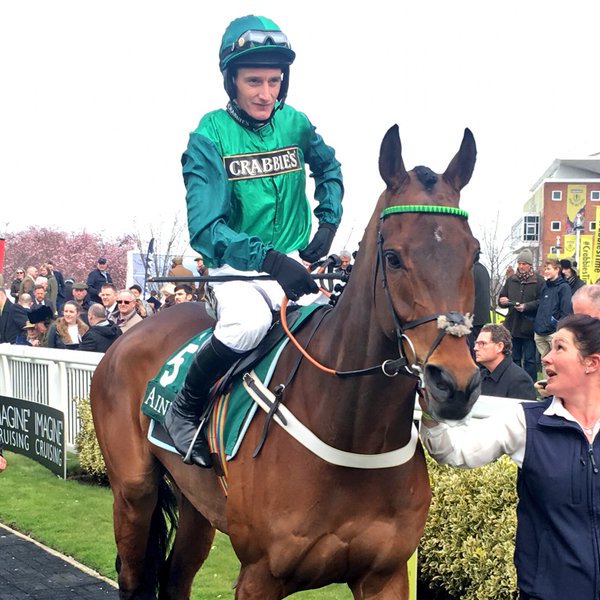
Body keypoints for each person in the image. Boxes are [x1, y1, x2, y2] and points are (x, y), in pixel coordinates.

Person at [164, 14, 344, 468]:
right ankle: (183, 409)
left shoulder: (296, 123)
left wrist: (327, 223)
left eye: (274, 81)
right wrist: (267, 258)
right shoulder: (208, 136)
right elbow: (206, 230)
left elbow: (329, 168)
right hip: (237, 267)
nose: (267, 93)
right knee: (245, 325)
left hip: (295, 264)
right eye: (254, 81)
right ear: (232, 81)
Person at [420, 314, 600, 600]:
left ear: (592, 363)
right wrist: (431, 411)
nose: (545, 358)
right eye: (549, 347)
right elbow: (455, 449)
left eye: (560, 348)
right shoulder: (525, 423)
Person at [498, 248, 545, 382]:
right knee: (513, 358)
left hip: (529, 327)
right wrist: (504, 302)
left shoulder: (539, 281)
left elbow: (542, 301)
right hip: (512, 326)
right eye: (519, 263)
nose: (521, 266)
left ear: (530, 265)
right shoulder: (511, 280)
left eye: (524, 263)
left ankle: (530, 384)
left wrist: (526, 306)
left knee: (530, 360)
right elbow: (501, 299)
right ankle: (515, 384)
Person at [475, 324, 536, 399]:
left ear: (500, 347)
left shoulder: (519, 380)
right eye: (476, 343)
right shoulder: (481, 376)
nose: (475, 348)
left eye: (482, 344)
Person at [534, 258, 572, 368]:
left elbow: (565, 312)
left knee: (556, 362)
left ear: (557, 269)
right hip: (540, 331)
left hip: (553, 332)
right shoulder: (545, 286)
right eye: (545, 269)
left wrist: (558, 329)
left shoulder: (564, 287)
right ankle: (546, 384)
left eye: (549, 269)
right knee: (544, 362)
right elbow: (541, 306)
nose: (546, 271)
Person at [468, 254, 491, 355]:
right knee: (479, 345)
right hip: (482, 316)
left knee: (471, 348)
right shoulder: (483, 270)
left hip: (471, 316)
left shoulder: (470, 270)